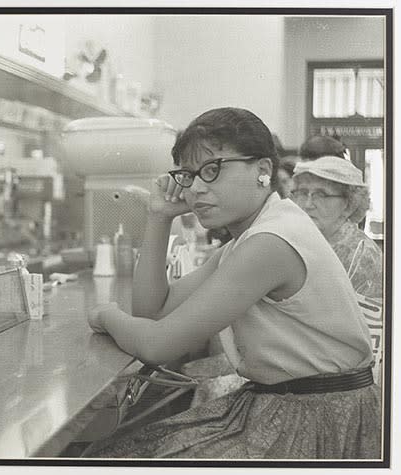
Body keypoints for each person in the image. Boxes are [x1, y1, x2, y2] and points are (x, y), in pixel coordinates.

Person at [82, 107, 379, 459]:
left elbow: (156, 345)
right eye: (188, 176)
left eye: (212, 170)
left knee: (116, 457)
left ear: (263, 171)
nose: (196, 189)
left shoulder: (271, 241)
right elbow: (152, 311)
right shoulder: (253, 235)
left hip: (315, 418)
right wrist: (159, 217)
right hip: (291, 404)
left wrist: (105, 315)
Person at [291, 156, 382, 298]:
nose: (308, 204)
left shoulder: (362, 255)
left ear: (349, 203)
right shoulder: (299, 240)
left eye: (321, 195)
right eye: (303, 193)